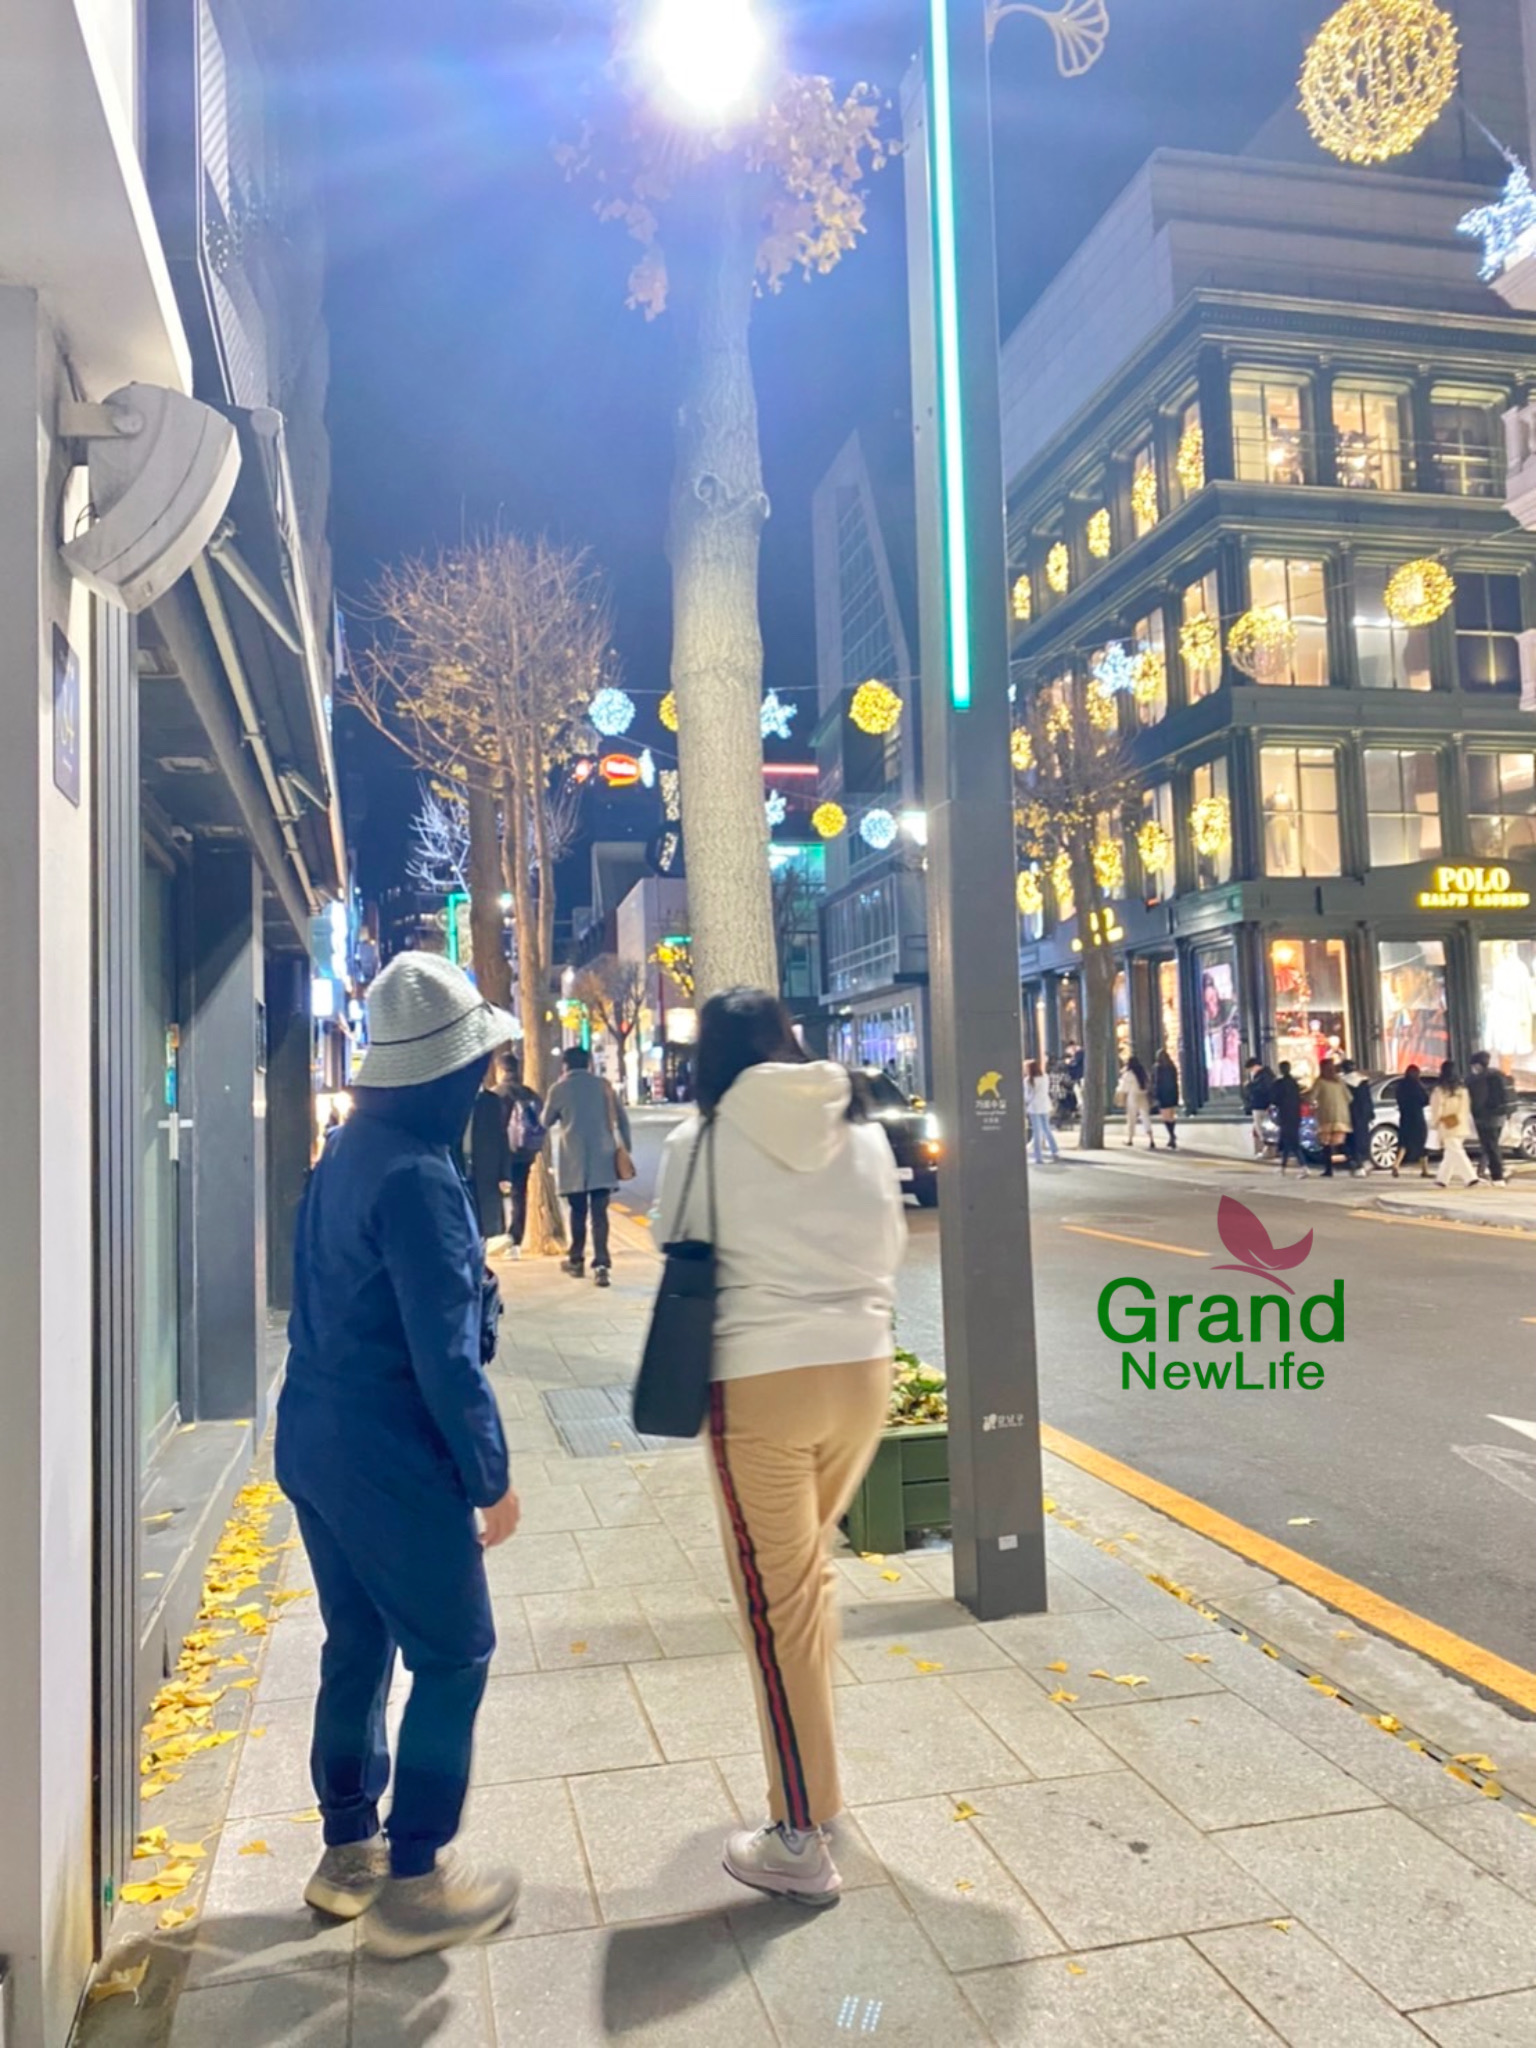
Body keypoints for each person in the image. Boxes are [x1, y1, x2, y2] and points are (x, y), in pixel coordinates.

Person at [275, 952, 521, 1960]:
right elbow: (444, 1356)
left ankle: (348, 1850)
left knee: (357, 1642)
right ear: (443, 1076)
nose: (483, 1084)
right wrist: (490, 1472)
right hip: (389, 1453)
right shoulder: (420, 1178)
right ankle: (415, 1876)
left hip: (314, 1439)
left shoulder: (344, 1151)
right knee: (455, 1651)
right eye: (476, 1068)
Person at [655, 989, 905, 1907]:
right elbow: (889, 1241)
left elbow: (673, 1238)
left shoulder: (704, 1142)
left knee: (778, 1602)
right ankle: (817, 1787)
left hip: (760, 1381)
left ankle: (799, 1835)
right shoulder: (862, 1126)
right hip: (863, 1372)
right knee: (808, 1582)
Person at [544, 1046, 632, 1288]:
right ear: (589, 1063)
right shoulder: (604, 1086)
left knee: (578, 1212)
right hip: (603, 1158)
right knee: (600, 1214)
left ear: (565, 1065)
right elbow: (622, 1120)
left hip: (573, 1161)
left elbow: (545, 1120)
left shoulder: (559, 1089)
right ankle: (602, 1264)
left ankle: (577, 1259)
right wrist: (627, 1149)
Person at [502, 1058, 545, 1257]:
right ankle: (515, 1242)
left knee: (492, 1195)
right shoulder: (530, 1093)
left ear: (501, 1069)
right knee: (519, 1195)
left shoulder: (497, 1093)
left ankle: (497, 1237)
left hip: (500, 1153)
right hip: (525, 1152)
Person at [467, 1065, 512, 1253]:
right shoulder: (454, 1100)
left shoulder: (491, 1101)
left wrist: (504, 1173)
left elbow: (501, 1136)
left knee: (484, 1213)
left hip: (486, 1163)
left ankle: (480, 1253)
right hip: (460, 1160)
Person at [1432, 1061, 1477, 1189]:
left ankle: (1470, 1177)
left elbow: (1437, 1109)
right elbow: (1466, 1107)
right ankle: (1442, 1179)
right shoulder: (1463, 1090)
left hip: (1446, 1124)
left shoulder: (1440, 1090)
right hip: (1461, 1123)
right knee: (1451, 1152)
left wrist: (1434, 1123)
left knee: (1456, 1151)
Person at [1469, 1051, 1510, 1185]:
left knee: (1491, 1147)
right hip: (1500, 1116)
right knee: (1491, 1146)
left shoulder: (1481, 1079)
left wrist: (1475, 1114)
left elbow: (1478, 1101)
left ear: (1478, 1065)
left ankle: (1498, 1177)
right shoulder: (1498, 1074)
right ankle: (1490, 1171)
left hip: (1486, 1118)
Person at [1311, 1059, 1350, 1179]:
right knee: (1339, 1142)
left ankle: (1329, 1169)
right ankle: (1354, 1162)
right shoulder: (1339, 1081)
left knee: (1326, 1144)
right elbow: (1349, 1098)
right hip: (1341, 1116)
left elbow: (1312, 1096)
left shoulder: (1320, 1081)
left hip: (1326, 1116)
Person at [1392, 1063, 1430, 1179]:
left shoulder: (1401, 1086)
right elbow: (1425, 1100)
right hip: (1417, 1117)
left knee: (1404, 1142)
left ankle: (1396, 1164)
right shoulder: (1418, 1086)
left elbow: (1398, 1100)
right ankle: (1424, 1169)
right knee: (1422, 1142)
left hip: (1404, 1117)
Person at [1272, 1060, 1307, 1177]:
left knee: (1292, 1142)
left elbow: (1275, 1099)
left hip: (1285, 1116)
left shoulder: (1279, 1084)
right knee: (1288, 1142)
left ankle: (1304, 1167)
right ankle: (1283, 1167)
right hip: (1295, 1115)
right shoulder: (1295, 1083)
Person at [1341, 1060, 1375, 1179]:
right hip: (1362, 1114)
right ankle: (1365, 1161)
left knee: (1352, 1140)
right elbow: (1368, 1099)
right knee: (1363, 1138)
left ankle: (1358, 1165)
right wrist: (1371, 1113)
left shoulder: (1343, 1082)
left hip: (1349, 1114)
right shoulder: (1363, 1081)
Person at [1025, 1059, 1059, 1165]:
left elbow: (1027, 1096)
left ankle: (1038, 1157)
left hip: (1034, 1107)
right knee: (1046, 1129)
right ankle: (1055, 1151)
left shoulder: (1028, 1081)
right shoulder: (1045, 1077)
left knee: (1037, 1131)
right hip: (1044, 1105)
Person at [1117, 1055, 1155, 1148]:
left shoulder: (1129, 1074)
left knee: (1131, 1119)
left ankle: (1130, 1139)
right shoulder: (1142, 1073)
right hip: (1143, 1096)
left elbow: (1124, 1088)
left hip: (1132, 1096)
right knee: (1145, 1117)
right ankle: (1151, 1139)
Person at [1242, 1059, 1275, 1158]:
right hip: (1262, 1105)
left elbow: (1260, 1090)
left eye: (1251, 1069)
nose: (1251, 1071)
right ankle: (1266, 1150)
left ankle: (1268, 1151)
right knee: (1261, 1129)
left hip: (1261, 1106)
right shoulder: (1265, 1076)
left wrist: (1249, 1086)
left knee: (1262, 1129)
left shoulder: (1263, 1077)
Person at [1152, 1048, 1180, 1150]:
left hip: (1163, 1094)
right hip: (1172, 1093)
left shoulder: (1157, 1068)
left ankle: (1171, 1135)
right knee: (1171, 1116)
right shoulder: (1172, 1067)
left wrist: (1155, 1096)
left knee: (1165, 1117)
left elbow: (1156, 1083)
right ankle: (1172, 1136)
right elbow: (1175, 1081)